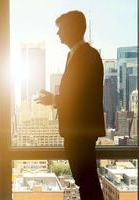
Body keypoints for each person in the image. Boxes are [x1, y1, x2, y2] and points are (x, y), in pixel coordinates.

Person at [35, 11, 105, 200]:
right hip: (75, 130)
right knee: (85, 181)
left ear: (73, 29)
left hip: (81, 131)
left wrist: (55, 100)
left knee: (87, 182)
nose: (58, 34)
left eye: (61, 29)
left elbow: (83, 97)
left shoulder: (88, 56)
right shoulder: (73, 55)